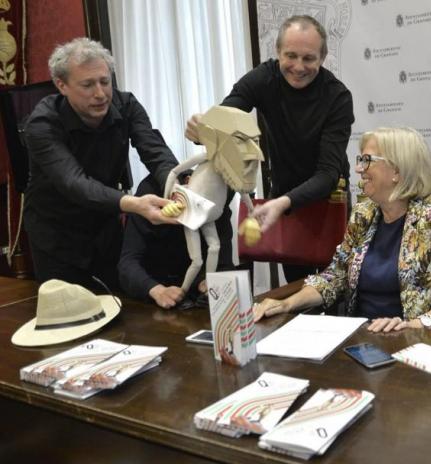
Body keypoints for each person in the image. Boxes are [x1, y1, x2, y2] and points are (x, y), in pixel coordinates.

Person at [252, 127, 431, 332]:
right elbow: (335, 276)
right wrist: (287, 303)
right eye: (360, 160)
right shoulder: (364, 214)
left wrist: (416, 324)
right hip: (358, 338)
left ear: (397, 171)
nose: (359, 169)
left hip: (412, 341)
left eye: (367, 160)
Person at [185, 14, 354, 283]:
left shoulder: (338, 97)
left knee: (333, 290)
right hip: (284, 200)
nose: (298, 67)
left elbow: (327, 175)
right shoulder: (264, 78)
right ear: (277, 52)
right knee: (296, 292)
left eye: (309, 58)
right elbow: (224, 118)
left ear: (323, 57)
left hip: (327, 199)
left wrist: (282, 203)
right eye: (291, 56)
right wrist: (201, 131)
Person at [24, 37, 178, 291]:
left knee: (120, 309)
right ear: (61, 85)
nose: (100, 94)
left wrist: (178, 184)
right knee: (70, 319)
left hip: (105, 229)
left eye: (105, 82)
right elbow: (74, 183)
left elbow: (154, 151)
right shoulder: (42, 123)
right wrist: (134, 204)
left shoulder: (126, 104)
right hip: (56, 236)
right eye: (87, 85)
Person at [118, 174, 234, 309]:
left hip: (194, 298)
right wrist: (156, 290)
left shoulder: (218, 200)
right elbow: (127, 264)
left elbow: (224, 263)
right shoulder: (151, 193)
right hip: (152, 297)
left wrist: (211, 281)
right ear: (188, 181)